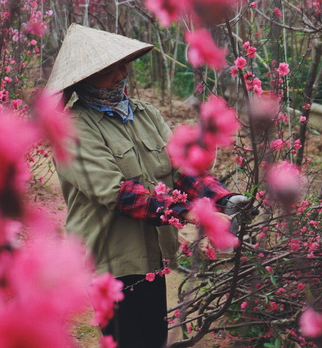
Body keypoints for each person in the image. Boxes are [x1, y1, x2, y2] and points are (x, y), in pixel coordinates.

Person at [45, 24, 248, 348]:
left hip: (152, 253)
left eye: (121, 66)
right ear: (82, 81)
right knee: (127, 340)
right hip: (109, 258)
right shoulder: (71, 129)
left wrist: (223, 198)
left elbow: (180, 170)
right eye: (107, 71)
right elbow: (116, 192)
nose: (120, 75)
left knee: (153, 336)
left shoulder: (145, 114)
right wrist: (192, 213)